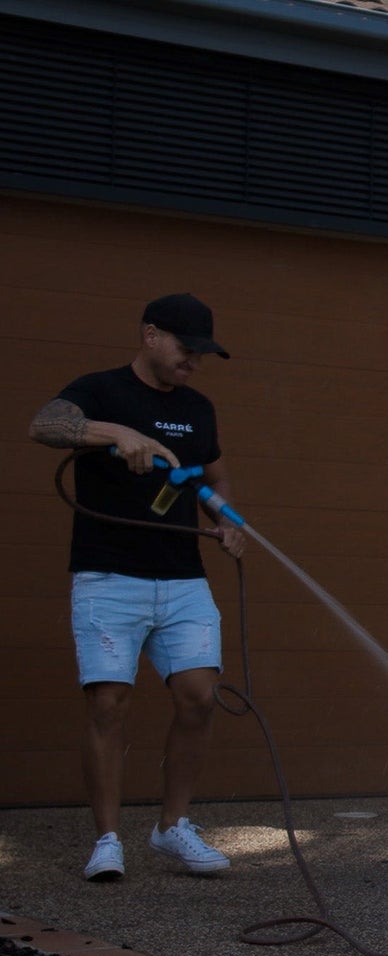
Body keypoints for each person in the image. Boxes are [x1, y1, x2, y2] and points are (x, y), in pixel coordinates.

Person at [29, 293, 246, 881]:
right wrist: (113, 432)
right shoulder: (99, 390)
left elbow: (215, 472)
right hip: (108, 575)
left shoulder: (199, 408)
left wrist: (226, 520)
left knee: (201, 696)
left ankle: (172, 827)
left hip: (182, 578)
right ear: (151, 335)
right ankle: (106, 839)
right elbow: (44, 425)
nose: (192, 362)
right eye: (185, 348)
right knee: (107, 705)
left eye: (200, 353)